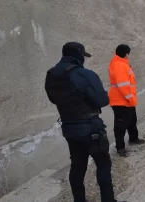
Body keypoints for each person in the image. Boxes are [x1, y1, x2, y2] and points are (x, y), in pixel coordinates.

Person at [44, 42, 119, 202]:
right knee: (103, 164)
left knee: (77, 166)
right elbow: (102, 100)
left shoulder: (51, 75)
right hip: (91, 128)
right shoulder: (84, 74)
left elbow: (53, 99)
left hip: (69, 128)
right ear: (78, 55)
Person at [109, 44, 145, 157]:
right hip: (121, 101)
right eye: (129, 53)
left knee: (131, 121)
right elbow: (123, 86)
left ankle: (133, 138)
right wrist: (131, 99)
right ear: (126, 54)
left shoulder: (122, 64)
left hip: (127, 100)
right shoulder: (119, 65)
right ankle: (120, 147)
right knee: (120, 125)